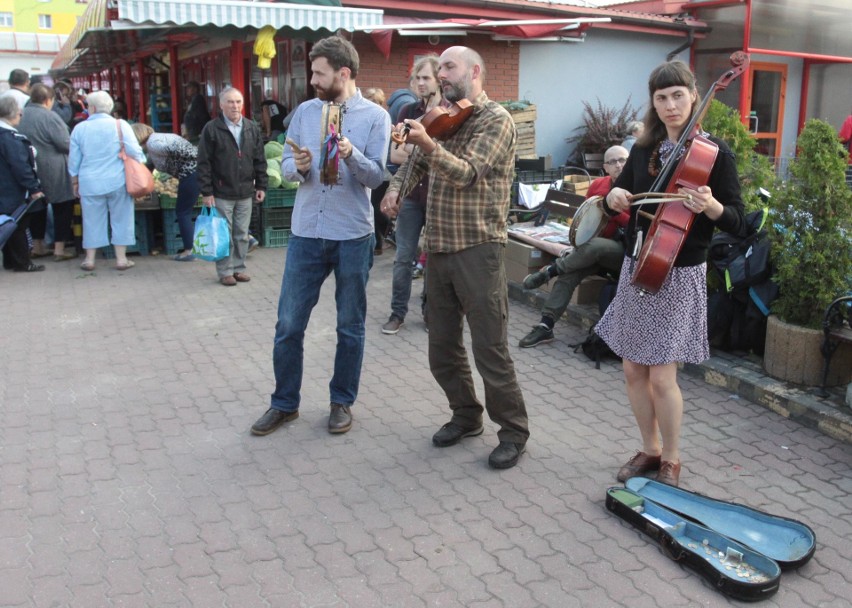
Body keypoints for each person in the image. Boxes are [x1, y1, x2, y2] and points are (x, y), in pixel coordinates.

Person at [597, 60, 745, 487]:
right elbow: (617, 196)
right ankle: (650, 447)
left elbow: (737, 219)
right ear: (654, 104)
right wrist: (616, 197)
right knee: (631, 368)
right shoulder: (644, 148)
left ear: (694, 95)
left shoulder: (714, 154)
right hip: (639, 262)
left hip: (679, 272)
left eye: (678, 95)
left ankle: (672, 458)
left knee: (663, 375)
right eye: (661, 98)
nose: (670, 104)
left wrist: (711, 207)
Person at [381, 46, 529, 469]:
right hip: (439, 247)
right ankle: (466, 415)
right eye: (439, 67)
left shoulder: (495, 120)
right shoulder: (444, 116)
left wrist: (427, 142)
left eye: (449, 66)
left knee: (490, 350)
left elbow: (466, 173)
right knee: (441, 348)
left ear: (474, 71)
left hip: (479, 248)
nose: (442, 74)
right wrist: (397, 188)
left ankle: (514, 432)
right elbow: (419, 167)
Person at [250, 35, 390, 438]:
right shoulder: (306, 114)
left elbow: (377, 176)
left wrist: (350, 154)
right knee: (289, 324)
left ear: (343, 74)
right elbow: (293, 174)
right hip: (307, 232)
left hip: (352, 234)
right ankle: (284, 404)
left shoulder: (375, 118)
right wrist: (299, 166)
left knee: (350, 325)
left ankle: (341, 402)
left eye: (318, 73)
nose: (312, 79)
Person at [519, 145, 631, 347]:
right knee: (569, 274)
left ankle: (550, 270)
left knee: (595, 246)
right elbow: (585, 221)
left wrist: (610, 209)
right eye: (613, 162)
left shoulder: (636, 187)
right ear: (605, 167)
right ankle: (545, 326)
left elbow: (636, 225)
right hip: (591, 251)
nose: (619, 165)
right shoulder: (598, 185)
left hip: (622, 251)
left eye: (623, 160)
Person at [381, 54, 444, 334]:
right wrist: (425, 148)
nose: (420, 83)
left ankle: (430, 311)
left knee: (434, 257)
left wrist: (417, 147)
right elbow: (395, 153)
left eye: (426, 78)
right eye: (417, 78)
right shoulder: (406, 111)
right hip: (409, 193)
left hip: (437, 196)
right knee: (403, 256)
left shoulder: (449, 114)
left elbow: (445, 157)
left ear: (438, 79)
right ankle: (397, 313)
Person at [69, 91, 145, 272]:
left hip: (89, 181)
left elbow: (74, 160)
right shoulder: (121, 125)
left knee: (91, 220)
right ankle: (121, 259)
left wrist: (74, 182)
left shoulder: (80, 129)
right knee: (122, 218)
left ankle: (90, 259)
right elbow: (135, 151)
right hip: (117, 180)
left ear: (92, 108)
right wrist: (141, 163)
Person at [196, 87, 266, 285]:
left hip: (245, 191)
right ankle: (225, 271)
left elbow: (260, 159)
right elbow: (203, 163)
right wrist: (207, 192)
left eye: (238, 102)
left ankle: (238, 268)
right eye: (230, 102)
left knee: (242, 235)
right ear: (221, 105)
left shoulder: (251, 127)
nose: (235, 106)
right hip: (221, 191)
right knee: (224, 234)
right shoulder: (211, 129)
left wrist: (261, 185)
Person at [18, 84, 76, 262]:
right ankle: (59, 249)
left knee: (37, 208)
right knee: (63, 206)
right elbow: (65, 144)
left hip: (29, 167)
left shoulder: (21, 115)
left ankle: (38, 246)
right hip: (53, 167)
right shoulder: (50, 116)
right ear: (48, 100)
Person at [131, 123, 200, 261]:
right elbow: (151, 164)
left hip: (191, 174)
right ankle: (246, 236)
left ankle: (189, 250)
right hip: (197, 173)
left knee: (183, 212)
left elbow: (186, 151)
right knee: (220, 206)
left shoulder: (153, 143)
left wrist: (191, 161)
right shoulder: (158, 138)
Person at [0, 96, 46, 272]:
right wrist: (34, 187)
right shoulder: (10, 138)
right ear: (12, 113)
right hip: (13, 189)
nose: (21, 114)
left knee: (6, 223)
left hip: (3, 188)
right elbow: (20, 166)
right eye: (19, 111)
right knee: (19, 225)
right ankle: (22, 262)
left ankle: (10, 260)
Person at [362, 87, 392, 256]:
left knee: (375, 207)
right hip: (369, 170)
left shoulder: (384, 120)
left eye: (378, 102)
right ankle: (379, 242)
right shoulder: (365, 120)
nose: (375, 105)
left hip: (384, 172)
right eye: (372, 101)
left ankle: (385, 236)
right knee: (373, 206)